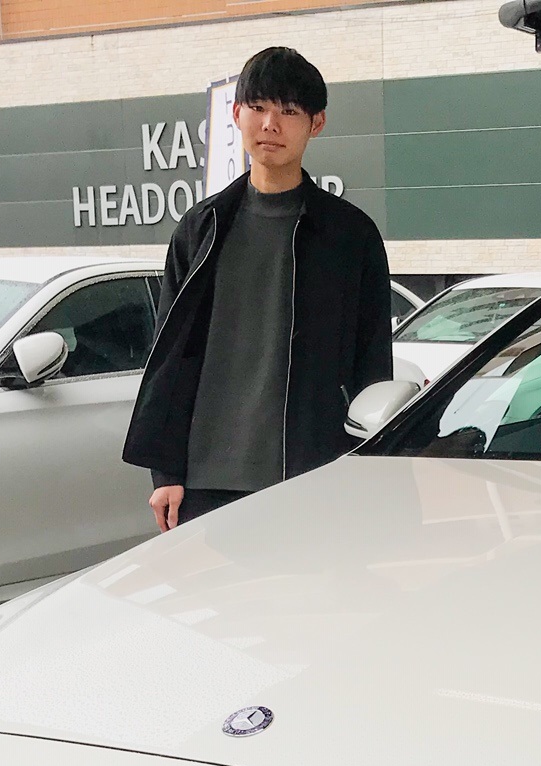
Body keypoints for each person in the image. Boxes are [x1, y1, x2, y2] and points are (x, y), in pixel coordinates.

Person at [123, 46, 393, 530]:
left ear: (316, 123)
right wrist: (166, 473)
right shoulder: (200, 229)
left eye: (289, 111)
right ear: (236, 114)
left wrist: (367, 468)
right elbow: (173, 355)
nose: (271, 124)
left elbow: (372, 363)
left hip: (314, 475)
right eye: (259, 107)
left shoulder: (350, 236)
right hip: (207, 480)